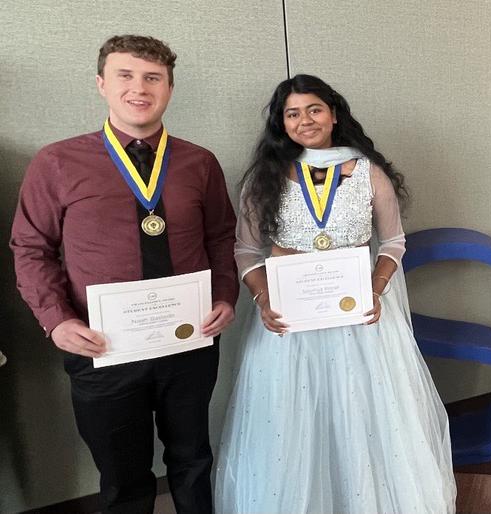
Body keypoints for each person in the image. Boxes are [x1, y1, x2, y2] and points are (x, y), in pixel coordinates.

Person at [10, 35, 238, 514]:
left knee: (193, 458)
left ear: (169, 89)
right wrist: (57, 320)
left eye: (153, 78)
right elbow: (31, 248)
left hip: (188, 341)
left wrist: (224, 297)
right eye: (126, 75)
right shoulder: (57, 162)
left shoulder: (199, 162)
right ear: (101, 84)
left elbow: (220, 237)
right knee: (123, 475)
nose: (140, 88)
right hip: (102, 348)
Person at [215, 74, 456, 513]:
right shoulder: (265, 177)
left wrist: (377, 287)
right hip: (290, 323)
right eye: (292, 113)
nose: (304, 120)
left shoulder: (368, 172)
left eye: (313, 110)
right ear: (281, 123)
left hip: (359, 319)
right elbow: (246, 249)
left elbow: (394, 241)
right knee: (295, 421)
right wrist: (263, 300)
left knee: (365, 418)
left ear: (333, 114)